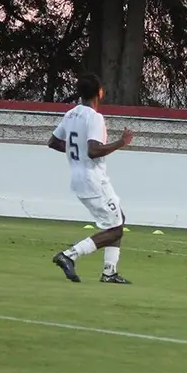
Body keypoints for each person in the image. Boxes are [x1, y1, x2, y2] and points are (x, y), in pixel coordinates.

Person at [47, 74, 133, 284]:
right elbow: (94, 150)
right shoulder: (94, 117)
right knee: (116, 229)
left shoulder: (71, 114)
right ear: (99, 92)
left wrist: (75, 155)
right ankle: (69, 255)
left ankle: (109, 272)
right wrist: (121, 143)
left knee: (119, 218)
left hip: (79, 177)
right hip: (93, 179)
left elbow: (53, 142)